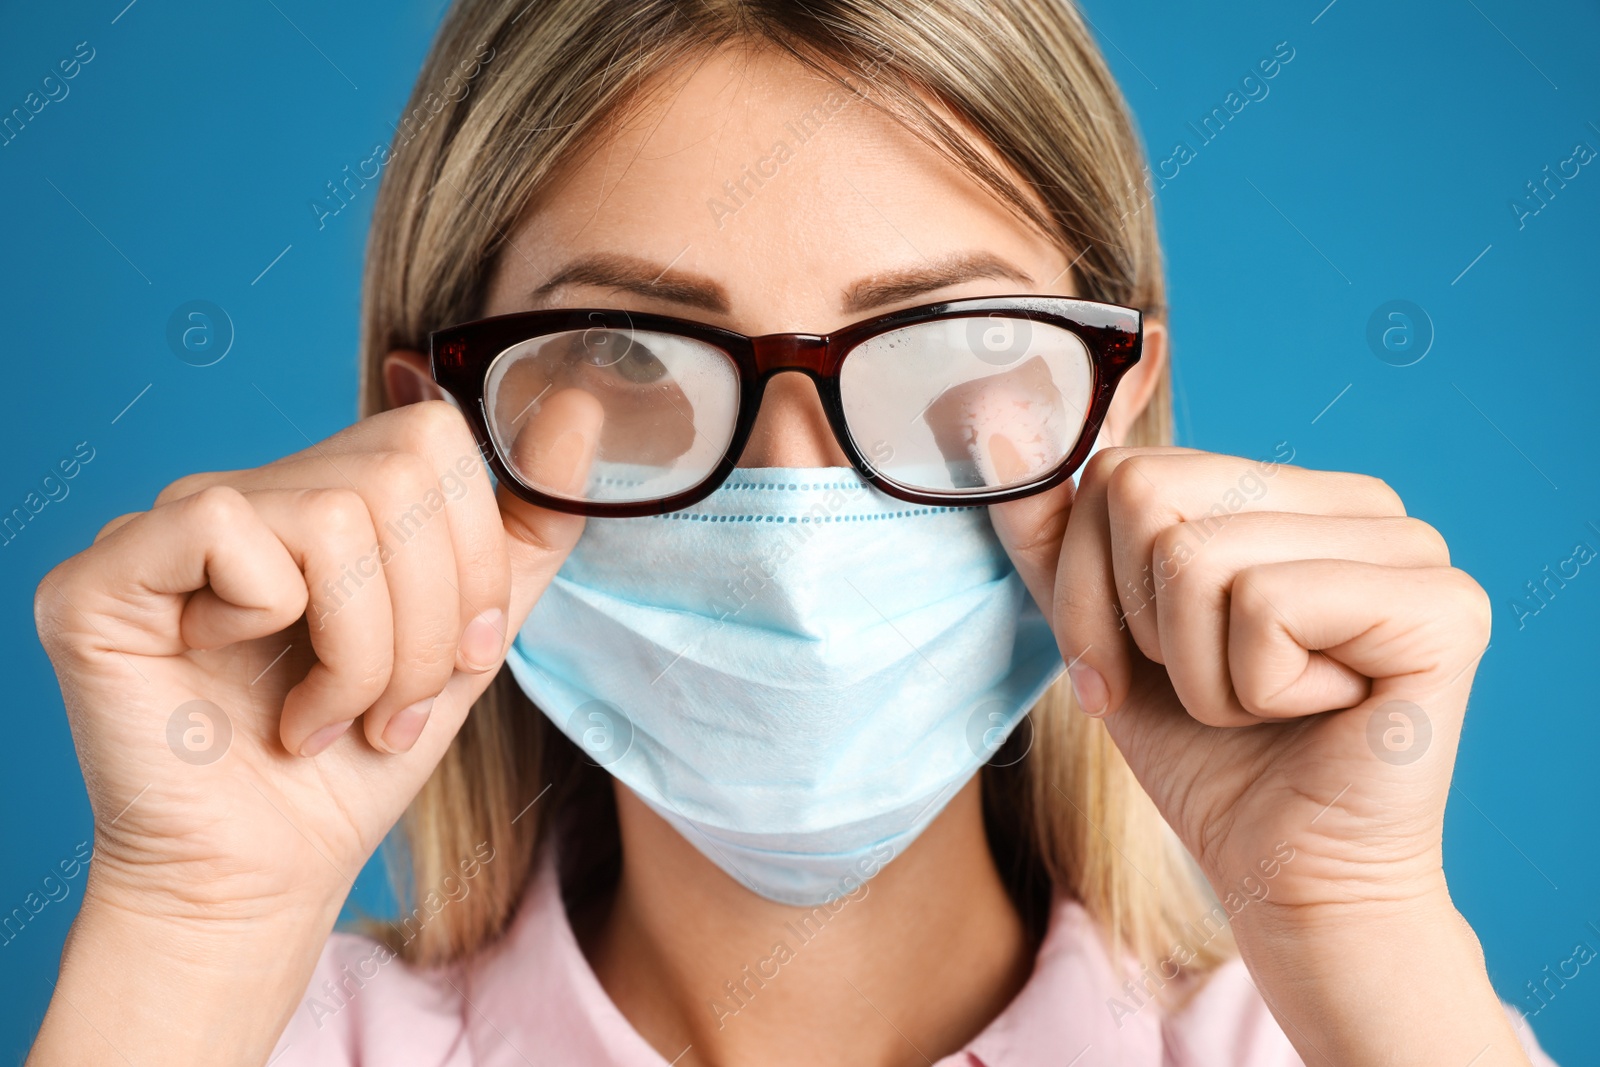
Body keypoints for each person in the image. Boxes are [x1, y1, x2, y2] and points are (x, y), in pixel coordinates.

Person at [28, 1, 1557, 1064]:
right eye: (631, 349)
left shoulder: (1350, 1039)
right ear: (434, 437)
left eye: (945, 342)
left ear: (1114, 412)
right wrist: (190, 926)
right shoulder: (239, 1043)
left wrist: (1356, 925)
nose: (794, 492)